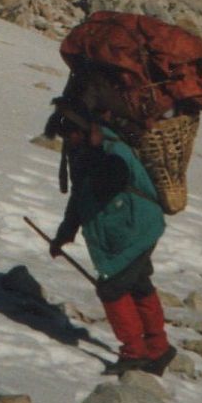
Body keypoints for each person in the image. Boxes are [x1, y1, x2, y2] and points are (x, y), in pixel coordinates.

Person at [44, 102, 175, 373]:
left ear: (85, 129)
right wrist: (64, 235)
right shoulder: (86, 153)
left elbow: (112, 180)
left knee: (112, 289)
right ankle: (158, 347)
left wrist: (93, 159)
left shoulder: (112, 151)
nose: (69, 142)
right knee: (137, 284)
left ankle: (134, 353)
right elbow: (80, 199)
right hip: (130, 233)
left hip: (135, 231)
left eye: (71, 135)